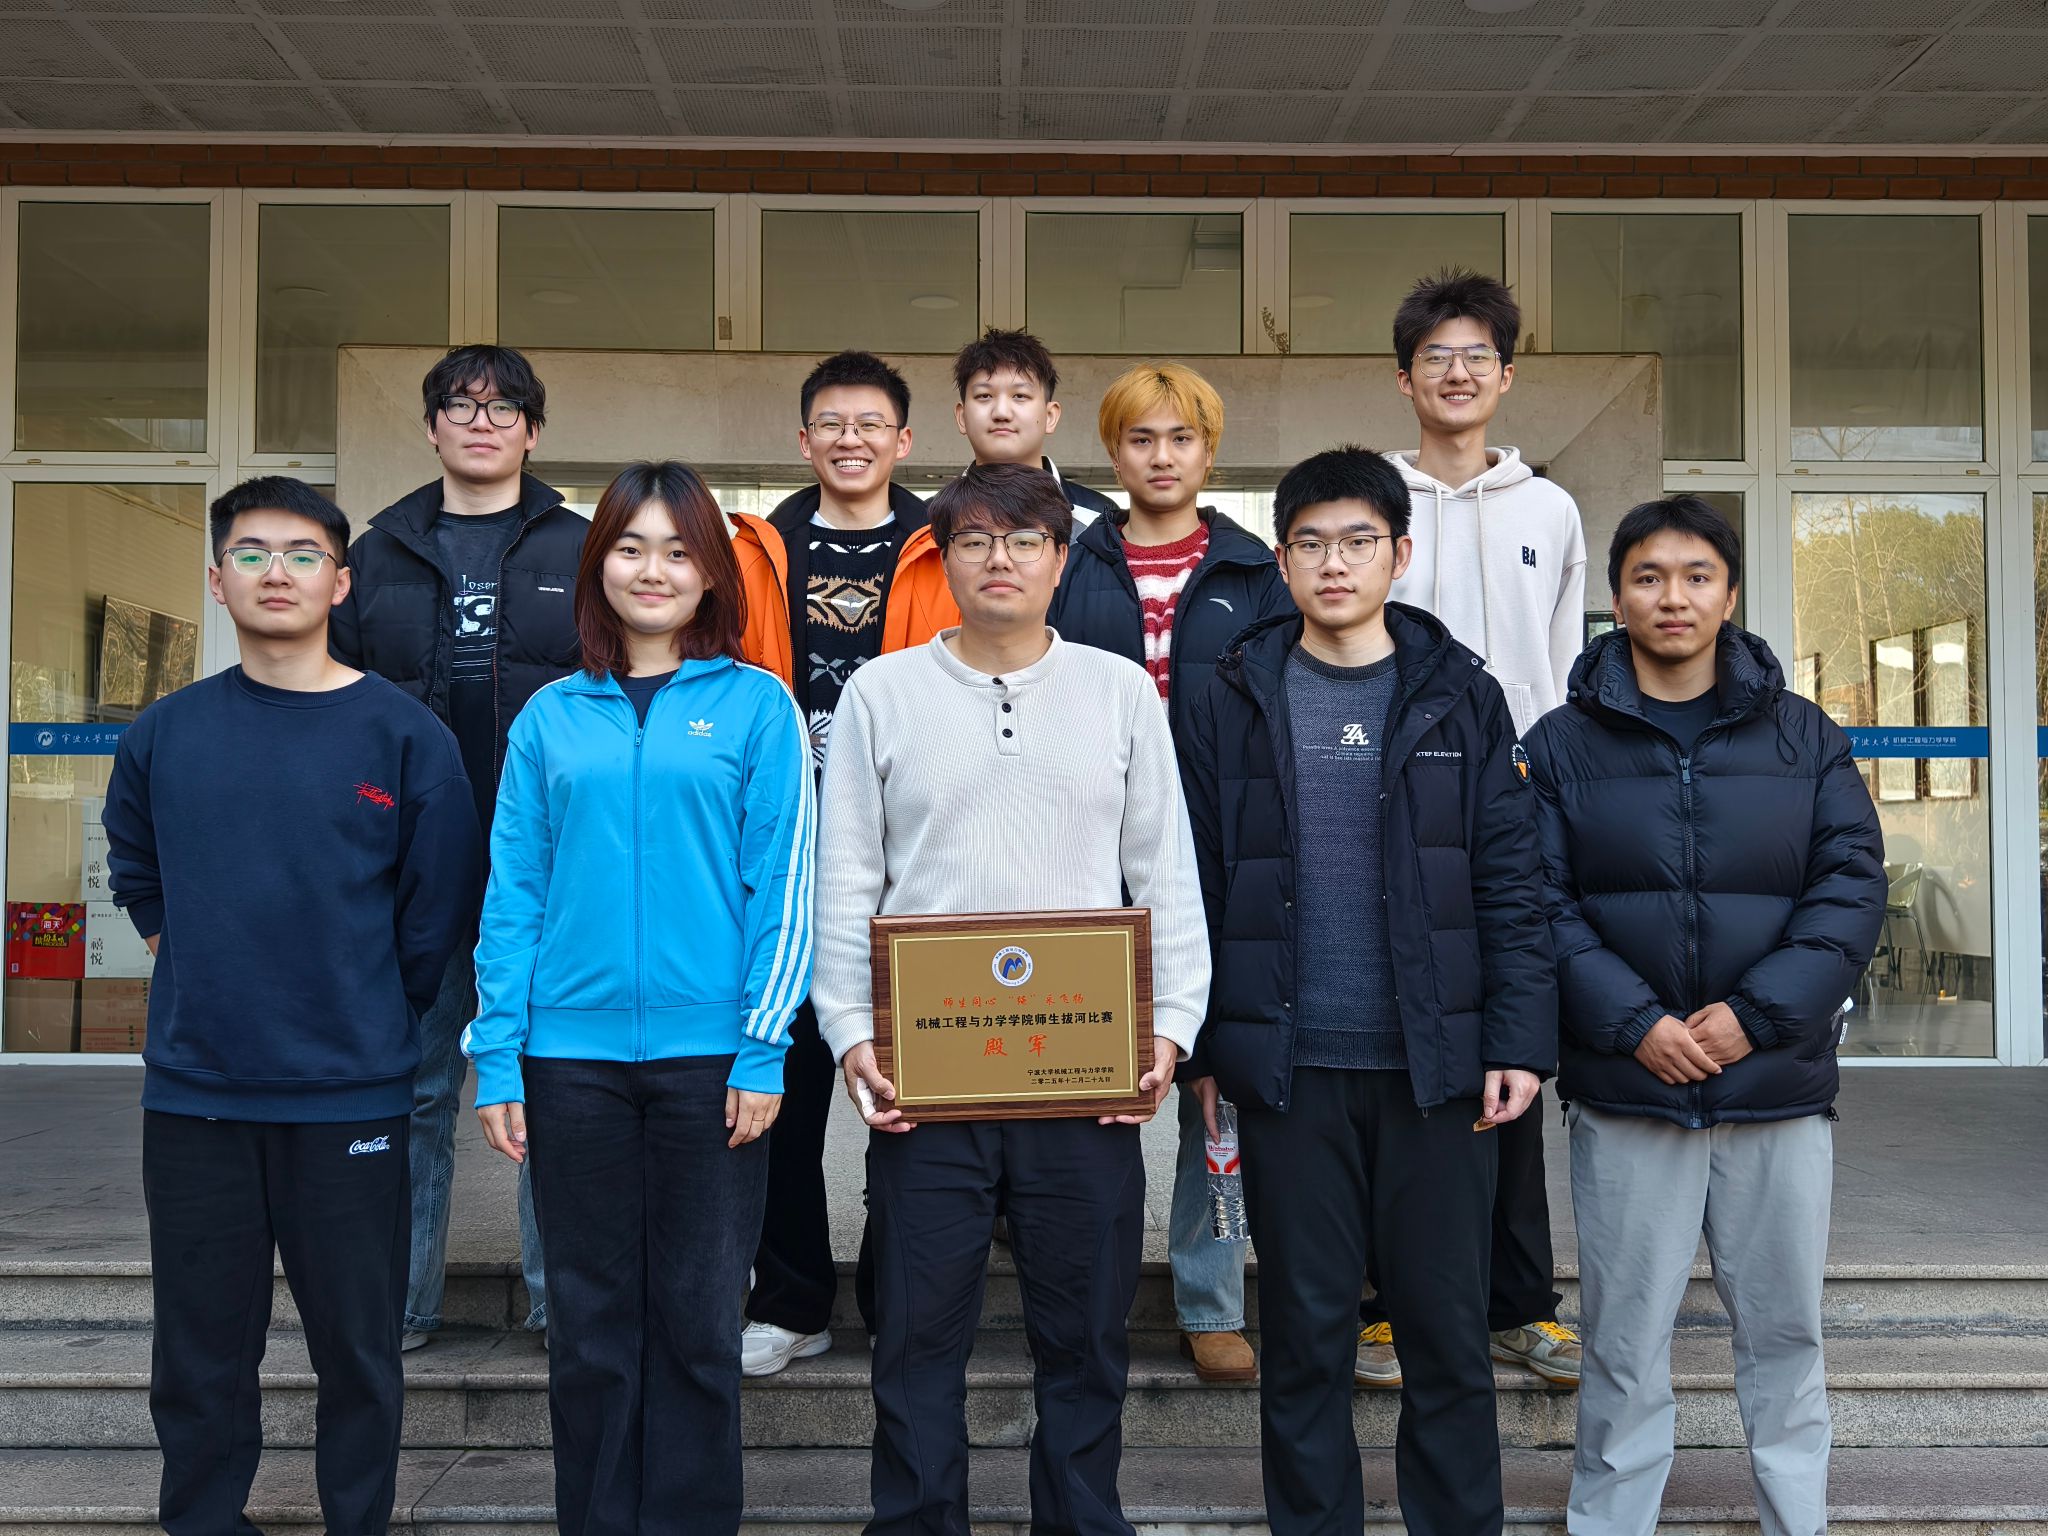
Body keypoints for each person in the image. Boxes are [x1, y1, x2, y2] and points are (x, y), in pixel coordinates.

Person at [813, 461, 1211, 1536]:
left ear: (1060, 559)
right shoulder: (881, 692)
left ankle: (1081, 1522)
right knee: (914, 1341)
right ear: (942, 559)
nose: (1001, 559)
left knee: (1083, 1342)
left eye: (1025, 540)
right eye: (976, 540)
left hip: (1082, 1077)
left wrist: (1169, 1027)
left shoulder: (1117, 690)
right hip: (927, 1081)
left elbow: (1163, 871)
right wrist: (849, 1031)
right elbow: (846, 878)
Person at [1179, 446, 1555, 1536]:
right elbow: (1194, 882)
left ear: (1399, 553)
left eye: (1357, 542)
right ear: (1280, 560)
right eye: (1310, 543)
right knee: (1304, 1341)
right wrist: (1203, 1049)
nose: (1333, 564)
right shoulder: (1227, 697)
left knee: (1445, 1335)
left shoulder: (1462, 694)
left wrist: (1518, 1043)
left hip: (1435, 1075)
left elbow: (1510, 881)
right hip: (1289, 1074)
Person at [105, 477, 483, 1536]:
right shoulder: (165, 733)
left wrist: (365, 1006)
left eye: (304, 554)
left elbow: (438, 905)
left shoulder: (405, 736)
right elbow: (136, 864)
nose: (278, 573)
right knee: (198, 1352)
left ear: (341, 582)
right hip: (198, 1097)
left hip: (349, 1096)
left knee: (358, 1350)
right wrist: (194, 955)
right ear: (216, 578)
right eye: (254, 553)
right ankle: (204, 1522)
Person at [1522, 495, 1884, 1536]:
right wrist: (1635, 1022)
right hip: (1629, 1088)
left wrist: (1754, 1017)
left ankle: (1796, 1520)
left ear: (1728, 595)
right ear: (1617, 596)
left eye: (1695, 576)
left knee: (1784, 1334)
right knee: (1621, 1340)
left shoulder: (1803, 736)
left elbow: (1848, 890)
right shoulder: (1558, 745)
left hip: (1773, 1091)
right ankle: (1610, 1521)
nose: (1671, 597)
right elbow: (1537, 902)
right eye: (1648, 576)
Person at [465, 461, 814, 1536]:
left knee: (702, 1324)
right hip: (569, 1066)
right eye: (629, 547)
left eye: (677, 550)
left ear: (710, 573)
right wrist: (498, 1054)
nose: (652, 570)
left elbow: (782, 887)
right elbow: (513, 893)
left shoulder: (757, 706)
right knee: (590, 1325)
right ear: (598, 566)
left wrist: (762, 1046)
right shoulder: (548, 718)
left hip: (713, 1063)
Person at [1356, 269, 1588, 1393]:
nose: (1456, 374)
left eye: (1476, 357)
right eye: (1435, 357)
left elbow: (1560, 660)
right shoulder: (1371, 501)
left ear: (1505, 375)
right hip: (1383, 796)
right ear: (1404, 379)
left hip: (1515, 800)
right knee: (1384, 1044)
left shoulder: (1549, 509)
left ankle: (1518, 1301)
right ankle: (1383, 1307)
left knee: (1510, 1038)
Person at [331, 343, 585, 1352]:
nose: (483, 423)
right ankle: (401, 1304)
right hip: (413, 872)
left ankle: (563, 1308)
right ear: (432, 426)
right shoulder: (378, 553)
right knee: (417, 1091)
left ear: (533, 431)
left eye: (503, 407)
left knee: (556, 1090)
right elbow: (333, 708)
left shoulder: (583, 548)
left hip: (552, 873)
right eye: (462, 406)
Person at [1046, 360, 1292, 1384]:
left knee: (1213, 1081)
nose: (1160, 456)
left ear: (1208, 451)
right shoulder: (1070, 562)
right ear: (1112, 452)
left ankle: (1209, 1298)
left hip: (1221, 849)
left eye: (1180, 438)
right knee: (1076, 1067)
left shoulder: (1255, 572)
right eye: (1140, 439)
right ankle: (1078, 1292)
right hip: (1084, 851)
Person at [730, 349, 956, 1378]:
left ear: (903, 440)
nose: (850, 439)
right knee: (780, 1096)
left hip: (912, 862)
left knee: (913, 1096)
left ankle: (902, 1300)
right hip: (784, 862)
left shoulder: (943, 545)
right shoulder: (756, 552)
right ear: (803, 438)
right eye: (831, 422)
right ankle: (790, 1301)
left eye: (870, 423)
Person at [952, 326, 1119, 524]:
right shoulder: (930, 520)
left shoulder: (1100, 517)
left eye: (1019, 396)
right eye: (984, 396)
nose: (1002, 413)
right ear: (962, 417)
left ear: (1050, 416)